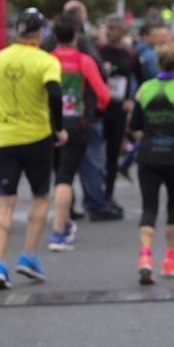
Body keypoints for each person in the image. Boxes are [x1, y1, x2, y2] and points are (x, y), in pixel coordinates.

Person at [0, 8, 68, 289]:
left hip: (5, 138)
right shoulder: (46, 61)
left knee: (4, 203)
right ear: (40, 33)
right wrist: (57, 128)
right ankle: (28, 256)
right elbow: (55, 94)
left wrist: (2, 115)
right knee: (40, 197)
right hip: (37, 137)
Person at [129, 43, 174, 284]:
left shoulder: (144, 90)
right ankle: (170, 259)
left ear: (158, 63)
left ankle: (145, 257)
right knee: (173, 206)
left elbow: (135, 125)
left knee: (148, 207)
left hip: (148, 155)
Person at [48, 14, 111, 251]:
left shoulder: (47, 60)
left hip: (51, 124)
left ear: (54, 36)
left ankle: (63, 222)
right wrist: (97, 111)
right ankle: (58, 231)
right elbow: (103, 94)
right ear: (76, 36)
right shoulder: (83, 61)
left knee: (58, 174)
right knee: (67, 176)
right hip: (77, 123)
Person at [99, 15, 140, 208]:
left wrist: (131, 101)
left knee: (113, 154)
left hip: (118, 110)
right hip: (99, 109)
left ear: (123, 32)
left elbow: (138, 78)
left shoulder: (129, 54)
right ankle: (94, 194)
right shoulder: (99, 51)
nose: (109, 32)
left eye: (114, 28)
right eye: (108, 27)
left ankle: (108, 194)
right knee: (93, 154)